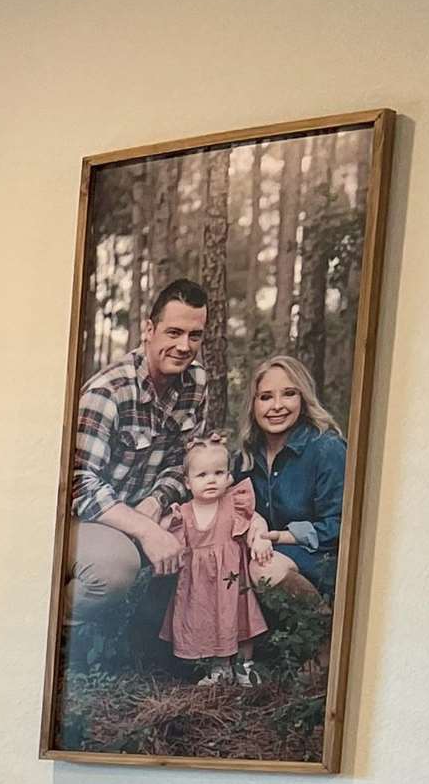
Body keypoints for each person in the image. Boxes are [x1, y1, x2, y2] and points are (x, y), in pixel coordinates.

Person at [66, 278, 214, 671]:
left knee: (204, 532)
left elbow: (183, 463)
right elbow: (78, 485)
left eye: (194, 335)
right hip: (81, 518)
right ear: (148, 330)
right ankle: (52, 631)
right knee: (115, 569)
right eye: (174, 332)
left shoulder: (196, 382)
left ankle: (156, 649)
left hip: (140, 509)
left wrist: (155, 503)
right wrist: (144, 530)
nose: (184, 346)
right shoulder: (107, 391)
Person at [232, 353, 348, 611]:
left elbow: (341, 525)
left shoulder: (326, 448)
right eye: (265, 397)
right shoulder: (246, 457)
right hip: (265, 554)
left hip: (320, 559)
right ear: (253, 405)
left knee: (265, 567)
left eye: (288, 394)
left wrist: (286, 536)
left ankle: (323, 640)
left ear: (303, 399)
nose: (276, 406)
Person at [156, 439, 268, 682]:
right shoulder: (183, 513)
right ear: (187, 482)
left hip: (231, 580)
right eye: (202, 474)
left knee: (238, 617)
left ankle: (244, 665)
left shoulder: (232, 504)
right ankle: (219, 668)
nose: (211, 480)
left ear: (229, 476)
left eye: (219, 473)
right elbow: (168, 539)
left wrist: (259, 539)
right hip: (199, 585)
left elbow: (255, 521)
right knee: (206, 620)